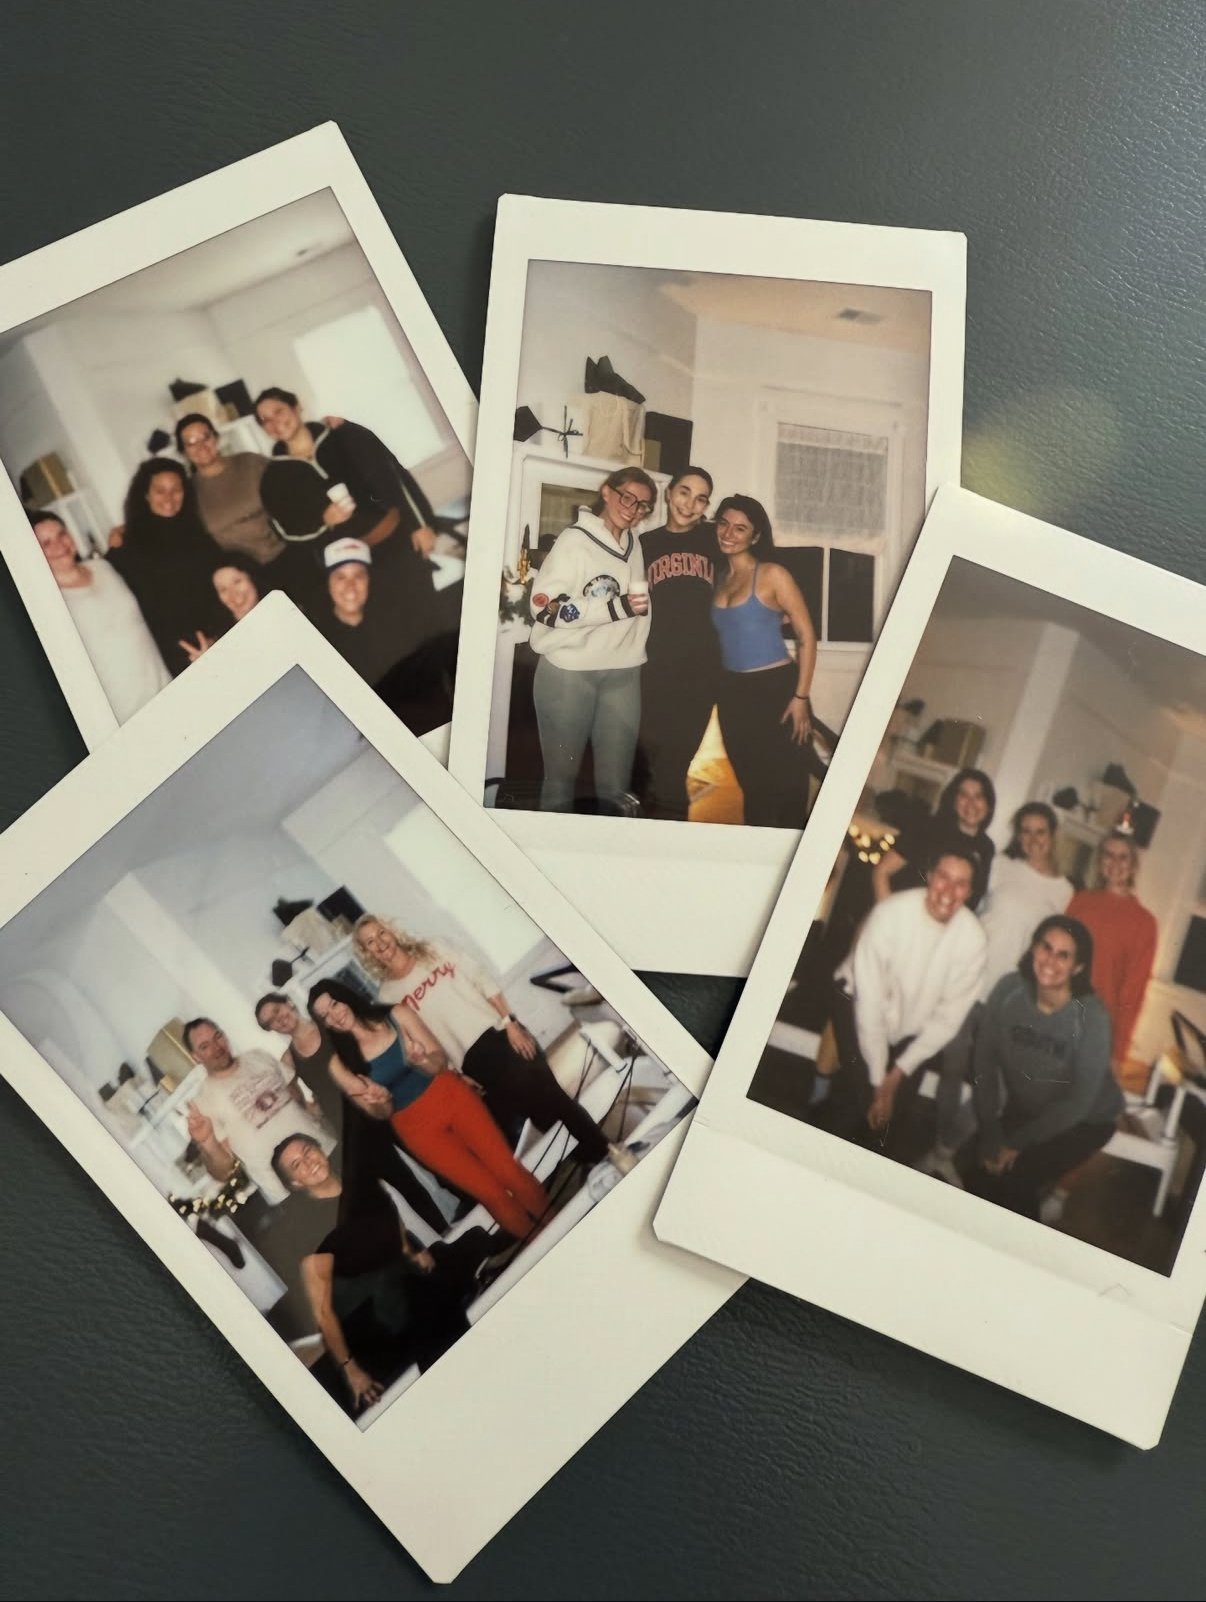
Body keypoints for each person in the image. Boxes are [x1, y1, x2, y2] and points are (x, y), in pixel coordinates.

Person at [353, 913, 636, 1175]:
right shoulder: (387, 998)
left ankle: (606, 1152)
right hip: (472, 1061)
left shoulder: (434, 949)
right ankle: (597, 1159)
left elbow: (482, 980)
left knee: (550, 1096)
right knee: (539, 1112)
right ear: (367, 953)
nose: (380, 943)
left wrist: (510, 1022)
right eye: (370, 942)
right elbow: (422, 1045)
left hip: (501, 1033)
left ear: (391, 931)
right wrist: (458, 1075)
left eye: (381, 933)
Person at [307, 979, 550, 1241]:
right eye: (325, 1016)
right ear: (324, 1025)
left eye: (334, 1004)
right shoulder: (338, 1065)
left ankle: (555, 1222)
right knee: (489, 1192)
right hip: (414, 1127)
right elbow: (381, 1114)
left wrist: (423, 1060)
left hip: (450, 1095)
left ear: (346, 997)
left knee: (507, 1170)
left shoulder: (396, 1015)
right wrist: (381, 1099)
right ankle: (540, 1245)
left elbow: (440, 1061)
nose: (335, 1015)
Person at [272, 1132, 492, 1414]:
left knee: (466, 1247)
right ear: (294, 1182)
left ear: (320, 1148)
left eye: (307, 1151)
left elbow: (390, 1218)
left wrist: (410, 1249)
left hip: (398, 1281)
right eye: (296, 1165)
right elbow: (324, 1313)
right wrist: (351, 1370)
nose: (308, 1162)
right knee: (434, 1302)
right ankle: (458, 1390)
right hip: (367, 1313)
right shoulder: (312, 1229)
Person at [915, 802, 1073, 1183]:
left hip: (1012, 997)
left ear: (1052, 837)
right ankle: (941, 1152)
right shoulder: (1000, 865)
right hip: (969, 980)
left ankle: (945, 1148)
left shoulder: (1065, 890)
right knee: (952, 1068)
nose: (1032, 839)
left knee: (998, 1089)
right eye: (1026, 831)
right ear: (1018, 834)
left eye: (1040, 831)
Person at [815, 847, 987, 1139]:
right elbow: (870, 1006)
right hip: (855, 997)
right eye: (943, 877)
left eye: (961, 884)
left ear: (970, 892)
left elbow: (948, 1020)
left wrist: (895, 1077)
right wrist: (878, 1080)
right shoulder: (890, 914)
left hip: (909, 1017)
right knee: (860, 1097)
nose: (949, 890)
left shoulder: (973, 939)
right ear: (929, 877)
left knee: (894, 1115)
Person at [255, 989, 453, 1236]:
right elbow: (290, 1096)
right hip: (351, 1127)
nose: (278, 1020)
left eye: (277, 1011)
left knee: (429, 1154)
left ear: (287, 1002)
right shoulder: (289, 1060)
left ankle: (469, 1199)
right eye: (270, 1022)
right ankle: (442, 1233)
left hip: (379, 1101)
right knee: (400, 1180)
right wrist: (311, 1107)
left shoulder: (329, 1025)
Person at [964, 915, 1123, 1220]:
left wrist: (1016, 1143)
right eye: (1045, 947)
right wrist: (990, 1130)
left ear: (1078, 967)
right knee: (979, 1174)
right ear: (1033, 948)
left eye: (1064, 955)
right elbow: (983, 1060)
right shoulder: (1008, 989)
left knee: (1017, 1182)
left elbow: (1078, 1103)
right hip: (1029, 1108)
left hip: (1086, 1119)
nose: (1050, 960)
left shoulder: (1091, 1017)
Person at [529, 466, 655, 812]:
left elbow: (637, 606)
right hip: (570, 671)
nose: (632, 508)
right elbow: (545, 610)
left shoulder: (634, 542)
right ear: (606, 491)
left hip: (624, 671)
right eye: (627, 496)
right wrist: (615, 608)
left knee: (617, 787)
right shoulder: (574, 541)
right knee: (560, 782)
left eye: (643, 505)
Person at [710, 494, 818, 828]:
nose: (729, 533)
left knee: (788, 791)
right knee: (753, 789)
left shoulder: (772, 575)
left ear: (755, 537)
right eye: (724, 523)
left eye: (740, 528)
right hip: (733, 694)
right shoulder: (717, 577)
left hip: (776, 690)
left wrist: (800, 697)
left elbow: (806, 637)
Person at [28, 507, 170, 721]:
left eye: (61, 534)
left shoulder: (103, 567)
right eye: (46, 543)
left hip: (164, 685)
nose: (59, 545)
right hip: (125, 713)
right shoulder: (50, 604)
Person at [637, 467, 719, 820]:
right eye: (684, 492)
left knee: (675, 769)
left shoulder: (717, 541)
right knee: (645, 765)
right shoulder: (645, 544)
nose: (690, 504)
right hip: (653, 668)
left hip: (701, 672)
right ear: (669, 493)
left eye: (700, 498)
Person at [182, 1016, 332, 1206]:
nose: (216, 1047)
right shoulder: (204, 1101)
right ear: (196, 1057)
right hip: (289, 1191)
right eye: (205, 1046)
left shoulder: (258, 1056)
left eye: (217, 1036)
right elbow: (223, 1172)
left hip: (327, 1151)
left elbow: (293, 1090)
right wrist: (208, 1143)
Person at [106, 458, 226, 675]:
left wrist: (216, 636)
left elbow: (219, 589)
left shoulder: (198, 535)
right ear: (146, 495)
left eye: (176, 490)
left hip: (218, 639)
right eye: (160, 491)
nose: (169, 498)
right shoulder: (126, 545)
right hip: (173, 655)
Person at [1067, 832, 1158, 1076]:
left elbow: (1134, 992)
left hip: (1097, 1025)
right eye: (1108, 855)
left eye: (1123, 858)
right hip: (1060, 1011)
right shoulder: (1080, 901)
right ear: (1099, 861)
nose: (1115, 863)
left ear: (1133, 865)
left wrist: (1118, 1053)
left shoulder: (1144, 923)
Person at [872, 768, 997, 911]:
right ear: (954, 801)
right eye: (963, 795)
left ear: (988, 805)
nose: (971, 803)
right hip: (905, 913)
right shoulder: (927, 828)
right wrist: (888, 916)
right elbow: (882, 871)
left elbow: (971, 900)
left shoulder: (986, 848)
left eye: (978, 796)